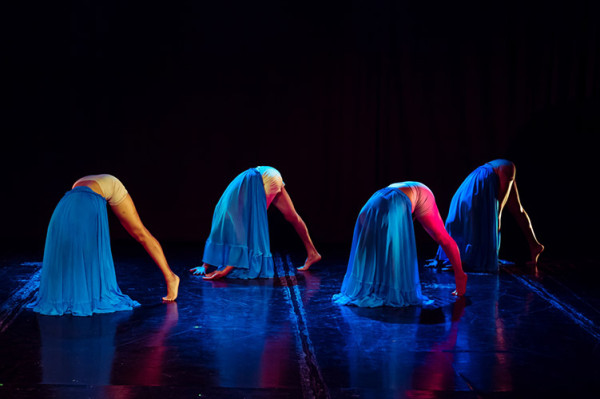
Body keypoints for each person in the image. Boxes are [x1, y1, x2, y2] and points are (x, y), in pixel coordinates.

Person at [32, 174, 179, 316]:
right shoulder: (112, 184)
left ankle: (71, 296)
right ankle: (170, 276)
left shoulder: (95, 185)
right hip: (83, 204)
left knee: (70, 251)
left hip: (62, 207)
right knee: (140, 233)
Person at [333, 182, 467, 308]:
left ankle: (376, 287)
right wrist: (459, 274)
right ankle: (460, 276)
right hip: (393, 201)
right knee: (441, 237)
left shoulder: (415, 193)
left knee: (374, 248)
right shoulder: (426, 195)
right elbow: (444, 239)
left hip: (373, 202)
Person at [190, 166, 321, 280]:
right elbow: (217, 235)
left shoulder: (231, 214)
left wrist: (225, 270)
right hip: (268, 172)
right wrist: (204, 266)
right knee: (291, 216)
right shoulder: (223, 213)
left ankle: (312, 253)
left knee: (254, 226)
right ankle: (313, 253)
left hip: (262, 179)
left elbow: (243, 235)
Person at [434, 159, 544, 272]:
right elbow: (498, 211)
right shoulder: (506, 168)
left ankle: (534, 245)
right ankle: (465, 257)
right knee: (475, 219)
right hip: (474, 186)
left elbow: (498, 210)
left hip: (474, 185)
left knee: (516, 209)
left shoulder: (506, 168)